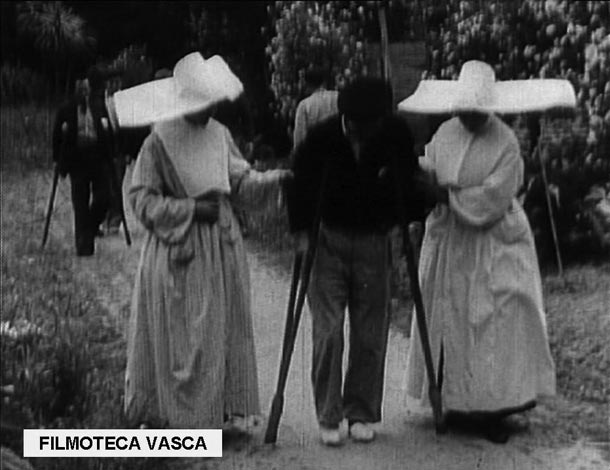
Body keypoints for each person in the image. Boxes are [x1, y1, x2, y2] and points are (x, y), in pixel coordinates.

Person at [114, 52, 289, 429]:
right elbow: (141, 199)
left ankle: (218, 410)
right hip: (180, 248)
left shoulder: (219, 135)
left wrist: (275, 180)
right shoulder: (158, 142)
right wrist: (190, 209)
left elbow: (239, 181)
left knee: (219, 331)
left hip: (220, 248)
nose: (209, 111)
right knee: (183, 337)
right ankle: (176, 416)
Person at [399, 60, 565, 444]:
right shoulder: (445, 132)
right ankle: (457, 402)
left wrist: (444, 194)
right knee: (451, 320)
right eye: (464, 110)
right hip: (451, 242)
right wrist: (416, 172)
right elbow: (431, 163)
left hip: (494, 242)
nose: (468, 117)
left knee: (495, 321)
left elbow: (493, 196)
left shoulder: (505, 142)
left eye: (476, 111)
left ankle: (495, 408)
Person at [288, 77, 427, 446]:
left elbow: (408, 181)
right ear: (347, 116)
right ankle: (329, 415)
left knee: (370, 332)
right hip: (329, 240)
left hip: (373, 240)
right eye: (361, 122)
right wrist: (302, 234)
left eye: (375, 121)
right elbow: (298, 186)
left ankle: (361, 411)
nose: (369, 129)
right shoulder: (322, 139)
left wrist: (411, 222)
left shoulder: (393, 134)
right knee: (329, 332)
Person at [52, 76, 113, 256]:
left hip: (97, 157)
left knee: (105, 197)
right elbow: (56, 137)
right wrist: (58, 161)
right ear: (75, 91)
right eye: (81, 90)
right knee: (80, 202)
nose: (84, 93)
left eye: (86, 90)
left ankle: (89, 228)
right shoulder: (66, 110)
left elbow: (107, 132)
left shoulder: (98, 107)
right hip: (77, 159)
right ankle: (84, 245)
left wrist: (112, 152)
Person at [292, 68, 339, 149]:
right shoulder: (337, 96)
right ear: (323, 82)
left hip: (316, 150)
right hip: (337, 147)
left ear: (307, 84)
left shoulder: (304, 105)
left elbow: (300, 136)